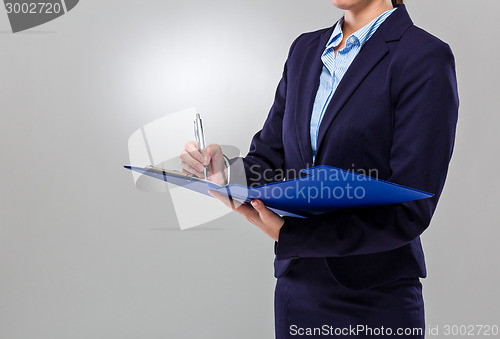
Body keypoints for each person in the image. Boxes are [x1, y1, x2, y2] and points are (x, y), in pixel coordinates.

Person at [180, 0, 459, 337]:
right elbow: (270, 160)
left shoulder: (423, 56)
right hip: (296, 290)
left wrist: (292, 236)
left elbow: (411, 206)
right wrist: (224, 172)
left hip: (374, 297)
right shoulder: (305, 51)